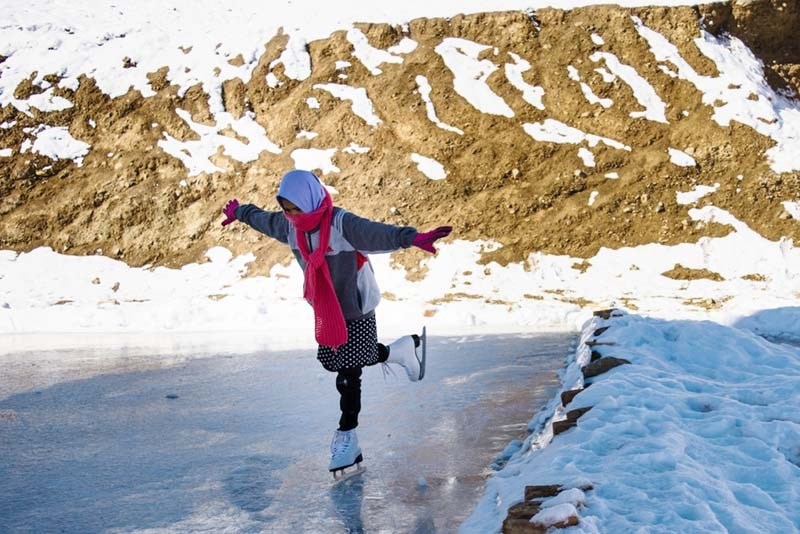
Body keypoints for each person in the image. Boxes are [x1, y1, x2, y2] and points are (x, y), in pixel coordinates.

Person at [220, 169, 452, 474]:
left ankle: (347, 438)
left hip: (355, 303)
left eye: (296, 209)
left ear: (311, 199)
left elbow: (377, 233)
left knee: (348, 373)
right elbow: (262, 219)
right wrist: (240, 212)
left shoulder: (341, 224)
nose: (292, 216)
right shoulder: (290, 227)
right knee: (344, 360)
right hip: (326, 307)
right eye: (287, 210)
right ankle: (401, 350)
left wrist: (412, 238)